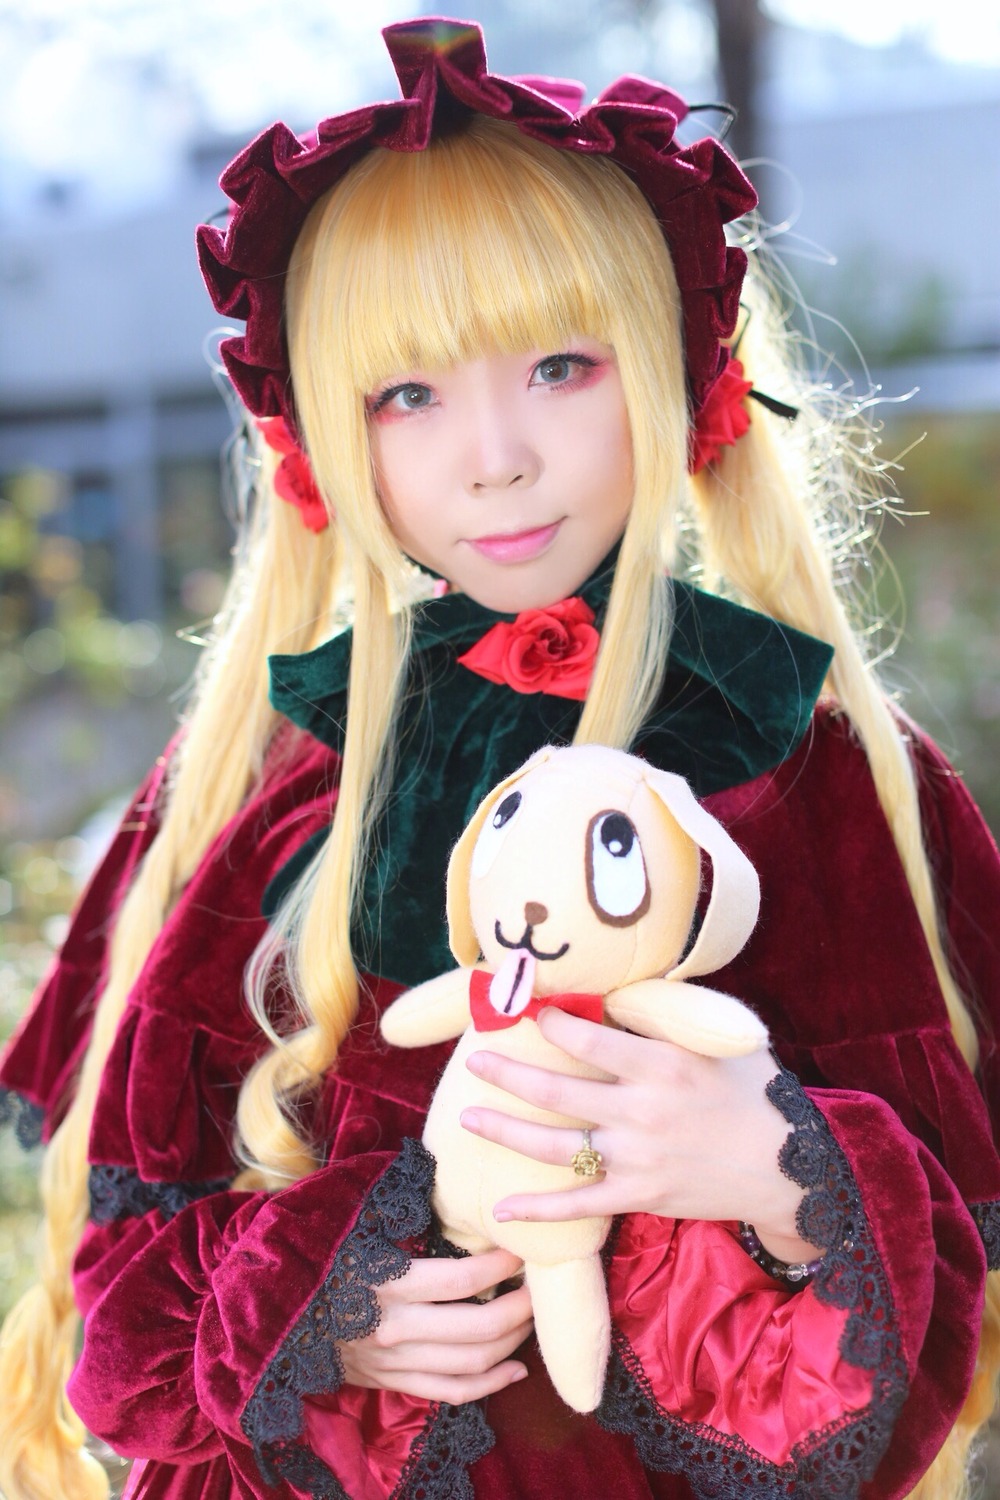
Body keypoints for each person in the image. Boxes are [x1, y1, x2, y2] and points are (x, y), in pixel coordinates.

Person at [1, 16, 999, 1500]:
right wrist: (323, 1323)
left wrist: (780, 1167)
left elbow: (965, 1262)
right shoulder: (274, 784)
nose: (495, 456)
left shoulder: (824, 769)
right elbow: (125, 1311)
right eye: (408, 393)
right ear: (323, 443)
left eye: (558, 365)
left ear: (676, 371)